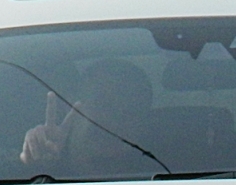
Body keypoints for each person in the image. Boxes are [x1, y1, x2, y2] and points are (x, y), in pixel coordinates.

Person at [20, 59, 156, 177]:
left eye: (129, 110)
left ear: (145, 122)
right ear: (72, 108)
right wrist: (38, 165)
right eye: (104, 104)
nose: (112, 121)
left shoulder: (163, 172)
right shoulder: (45, 162)